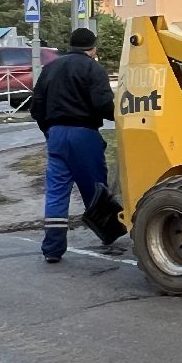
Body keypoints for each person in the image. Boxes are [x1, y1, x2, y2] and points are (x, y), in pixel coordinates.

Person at [29, 28, 116, 264]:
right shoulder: (93, 68)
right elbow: (104, 106)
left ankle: (52, 249)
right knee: (96, 187)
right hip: (84, 134)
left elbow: (36, 106)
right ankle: (108, 235)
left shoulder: (50, 68)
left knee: (56, 192)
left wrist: (48, 130)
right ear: (93, 47)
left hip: (56, 134)